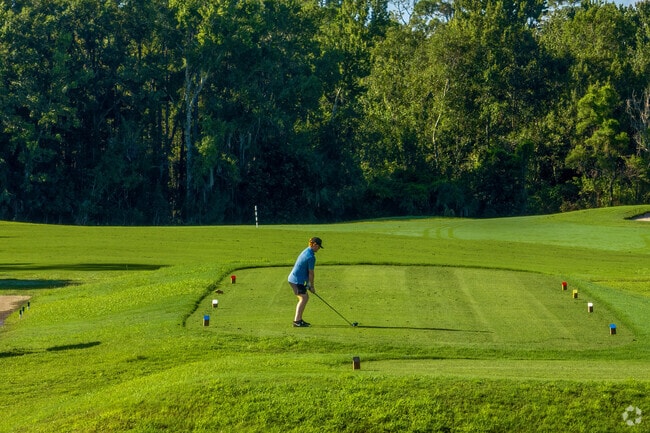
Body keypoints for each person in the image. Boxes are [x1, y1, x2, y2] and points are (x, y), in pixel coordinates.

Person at [287, 237, 323, 327]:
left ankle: (298, 320)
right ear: (314, 245)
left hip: (295, 279)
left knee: (304, 297)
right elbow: (311, 273)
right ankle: (297, 321)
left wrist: (308, 285)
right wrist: (312, 286)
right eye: (318, 247)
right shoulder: (310, 257)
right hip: (296, 280)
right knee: (304, 298)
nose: (318, 249)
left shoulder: (306, 251)